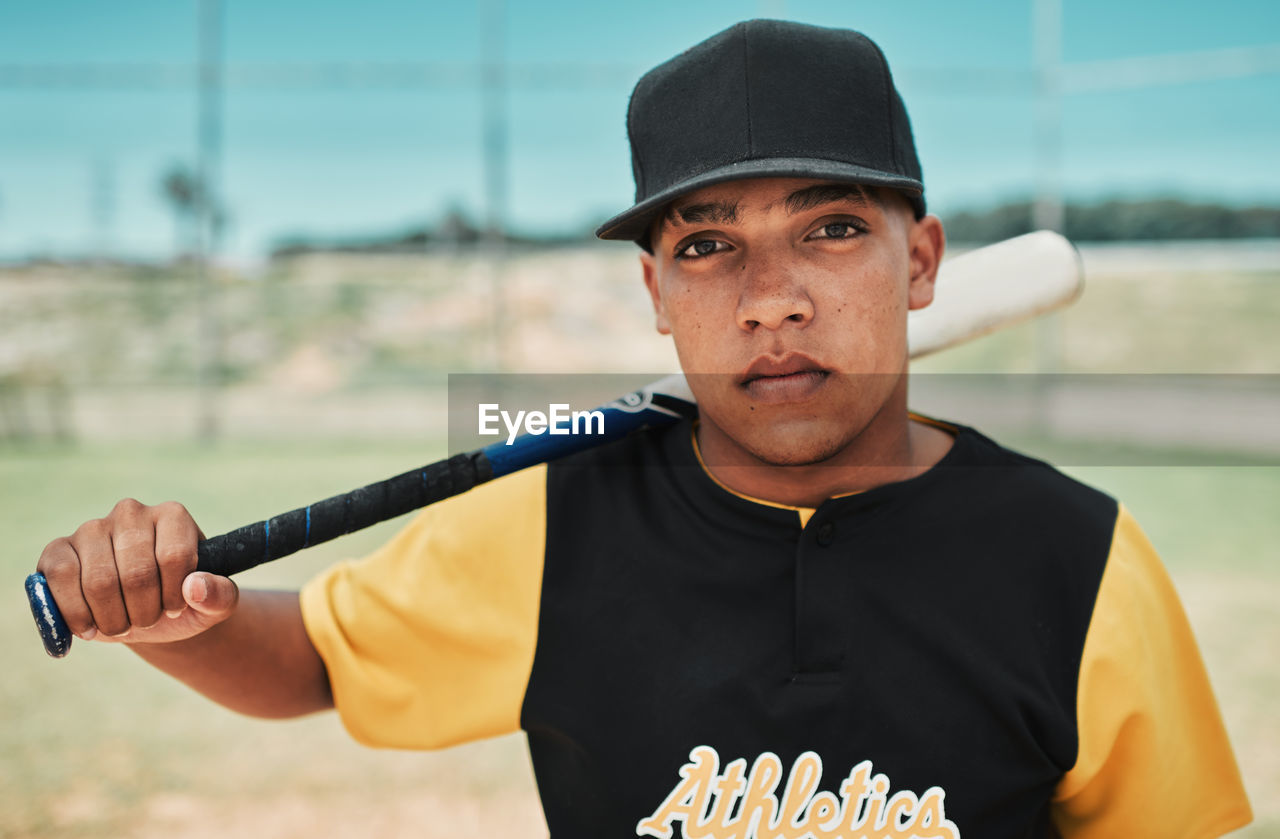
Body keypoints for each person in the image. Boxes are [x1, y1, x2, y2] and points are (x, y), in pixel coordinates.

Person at [35, 19, 1251, 839]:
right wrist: (165, 612)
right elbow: (307, 660)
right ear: (656, 295)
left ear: (919, 260)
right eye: (707, 244)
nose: (769, 295)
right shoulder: (553, 516)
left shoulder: (1078, 555)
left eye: (829, 228)